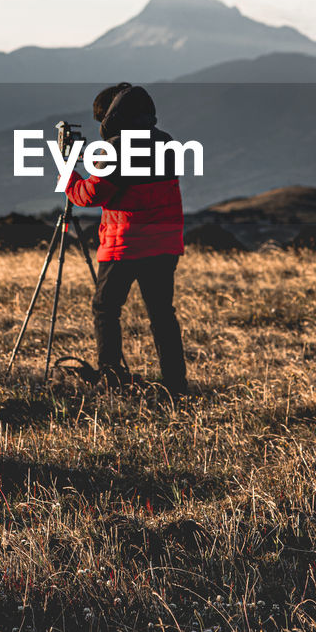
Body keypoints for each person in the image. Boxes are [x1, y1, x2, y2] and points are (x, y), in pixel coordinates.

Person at [64, 82, 187, 397]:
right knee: (162, 313)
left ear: (110, 115)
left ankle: (110, 378)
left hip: (127, 243)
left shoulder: (117, 149)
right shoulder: (167, 142)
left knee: (106, 309)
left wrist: (68, 170)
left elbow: (90, 194)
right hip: (165, 241)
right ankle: (175, 384)